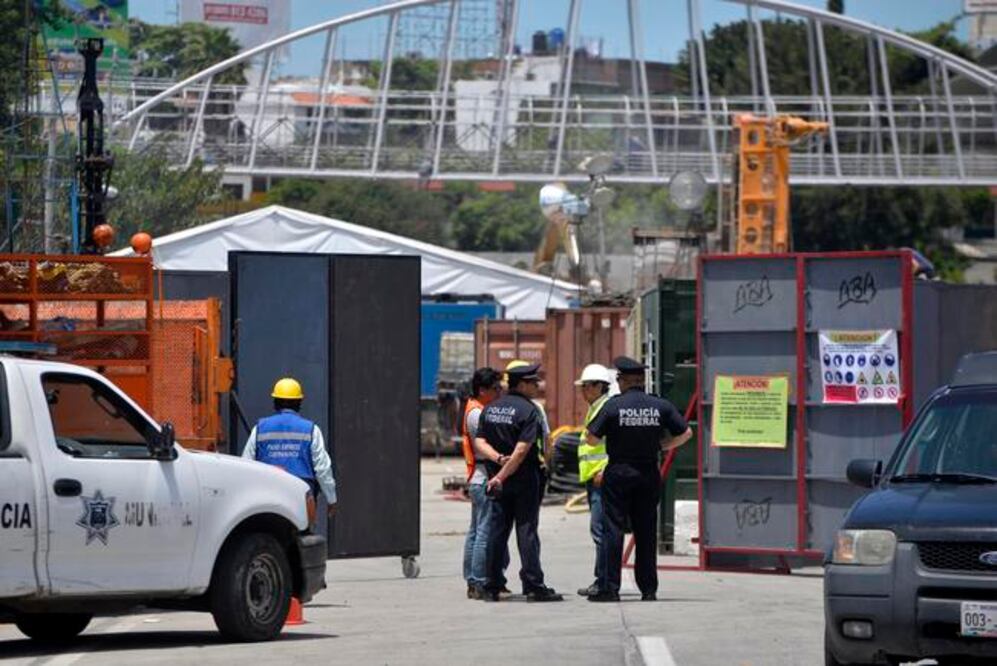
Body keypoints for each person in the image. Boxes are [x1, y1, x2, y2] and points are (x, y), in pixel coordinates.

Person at [585, 357, 692, 602]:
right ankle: (648, 589)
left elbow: (591, 438)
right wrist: (663, 445)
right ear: (642, 381)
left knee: (613, 530)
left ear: (623, 381)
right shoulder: (659, 405)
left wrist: (615, 437)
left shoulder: (613, 406)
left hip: (619, 472)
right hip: (647, 473)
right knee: (646, 531)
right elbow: (686, 432)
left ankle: (609, 588)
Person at [475, 362, 563, 602]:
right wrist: (505, 471)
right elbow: (523, 450)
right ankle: (533, 585)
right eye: (534, 382)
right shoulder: (529, 411)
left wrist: (497, 465)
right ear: (522, 384)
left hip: (497, 481)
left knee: (497, 532)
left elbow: (479, 442)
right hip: (523, 480)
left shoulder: (491, 408)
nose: (537, 386)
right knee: (526, 532)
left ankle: (491, 585)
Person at [242, 378, 338, 521]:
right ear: (299, 403)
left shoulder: (260, 429)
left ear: (275, 402)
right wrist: (331, 499)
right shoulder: (311, 430)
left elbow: (245, 466)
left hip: (267, 498)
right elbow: (322, 469)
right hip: (302, 497)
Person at [461, 367, 507, 599]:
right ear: (482, 390)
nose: (499, 393)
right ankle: (479, 581)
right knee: (484, 533)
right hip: (483, 476)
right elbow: (485, 444)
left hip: (476, 477)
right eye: (495, 389)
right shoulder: (478, 413)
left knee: (475, 531)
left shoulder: (474, 408)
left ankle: (472, 579)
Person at [573, 363, 615, 597]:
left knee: (601, 531)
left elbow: (616, 445)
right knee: (599, 531)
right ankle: (602, 579)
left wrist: (606, 470)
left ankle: (604, 582)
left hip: (602, 479)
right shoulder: (596, 407)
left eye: (587, 386)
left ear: (599, 386)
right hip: (594, 478)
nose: (583, 391)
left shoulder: (605, 409)